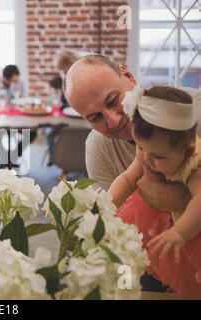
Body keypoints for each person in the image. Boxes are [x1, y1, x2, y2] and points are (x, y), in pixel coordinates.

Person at [64, 54, 201, 292]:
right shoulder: (100, 146)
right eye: (95, 117)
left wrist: (166, 197)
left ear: (128, 75)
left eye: (113, 100)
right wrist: (91, 214)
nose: (114, 120)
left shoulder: (189, 113)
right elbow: (123, 189)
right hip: (149, 251)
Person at [108, 85, 201, 298]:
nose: (146, 160)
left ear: (187, 150)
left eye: (158, 156)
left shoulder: (195, 165)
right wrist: (103, 206)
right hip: (160, 220)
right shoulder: (152, 150)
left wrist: (179, 232)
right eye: (140, 148)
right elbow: (129, 179)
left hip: (192, 227)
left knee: (193, 279)